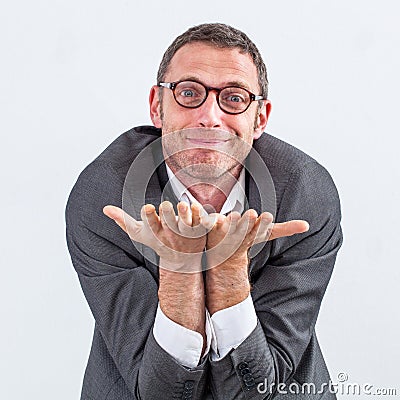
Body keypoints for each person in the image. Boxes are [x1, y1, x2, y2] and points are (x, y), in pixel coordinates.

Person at [65, 23, 343, 400]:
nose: (209, 117)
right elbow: (158, 390)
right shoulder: (104, 196)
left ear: (260, 118)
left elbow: (260, 386)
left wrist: (227, 268)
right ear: (156, 107)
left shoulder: (305, 193)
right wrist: (180, 269)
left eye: (233, 98)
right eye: (189, 93)